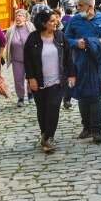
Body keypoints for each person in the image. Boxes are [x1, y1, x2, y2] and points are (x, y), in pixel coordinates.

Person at [65, 0, 101, 143]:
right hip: (80, 62)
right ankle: (86, 127)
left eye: (80, 5)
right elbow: (66, 38)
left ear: (90, 6)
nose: (77, 8)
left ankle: (96, 129)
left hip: (98, 62)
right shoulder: (75, 20)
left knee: (96, 94)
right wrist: (76, 43)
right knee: (83, 94)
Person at [24, 8, 75, 153]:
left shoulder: (60, 36)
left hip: (57, 80)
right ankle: (44, 134)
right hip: (39, 80)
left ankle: (49, 137)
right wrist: (30, 78)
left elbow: (68, 57)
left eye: (56, 20)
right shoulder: (33, 38)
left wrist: (71, 74)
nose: (56, 23)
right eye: (52, 21)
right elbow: (27, 60)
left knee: (53, 107)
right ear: (44, 23)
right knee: (42, 109)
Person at [5, 9, 35, 106]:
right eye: (17, 15)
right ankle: (20, 98)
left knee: (31, 77)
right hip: (17, 59)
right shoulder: (11, 30)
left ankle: (30, 94)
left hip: (30, 59)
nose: (18, 17)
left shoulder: (31, 28)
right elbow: (4, 42)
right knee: (18, 79)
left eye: (20, 15)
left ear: (25, 18)